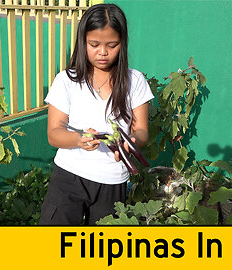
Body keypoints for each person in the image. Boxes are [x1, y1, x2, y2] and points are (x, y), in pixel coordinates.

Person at [39, 4, 154, 225]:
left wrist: (131, 141)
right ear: (83, 42)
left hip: (112, 181)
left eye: (112, 45)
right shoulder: (67, 80)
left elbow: (141, 130)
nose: (103, 52)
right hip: (68, 177)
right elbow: (54, 133)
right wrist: (78, 140)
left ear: (123, 43)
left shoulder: (135, 81)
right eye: (94, 44)